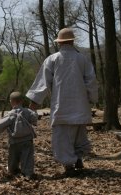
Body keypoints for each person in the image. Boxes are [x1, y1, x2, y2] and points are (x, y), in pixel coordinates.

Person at [26, 28, 98, 176]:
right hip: (80, 106)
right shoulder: (82, 59)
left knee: (63, 139)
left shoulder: (53, 59)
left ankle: (69, 166)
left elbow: (43, 82)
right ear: (72, 41)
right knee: (79, 136)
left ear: (59, 43)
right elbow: (91, 82)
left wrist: (34, 102)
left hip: (62, 107)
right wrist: (92, 99)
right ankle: (78, 159)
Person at [0, 91, 38, 179]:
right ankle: (28, 173)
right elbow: (34, 119)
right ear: (22, 101)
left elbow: (0, 124)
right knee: (27, 157)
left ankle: (12, 170)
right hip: (27, 140)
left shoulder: (10, 114)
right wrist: (34, 110)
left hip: (14, 141)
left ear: (11, 101)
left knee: (13, 156)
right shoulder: (27, 112)